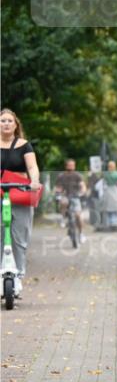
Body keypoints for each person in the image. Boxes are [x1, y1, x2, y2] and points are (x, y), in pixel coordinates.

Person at [0, 108, 42, 297]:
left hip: (20, 193)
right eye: (2, 121)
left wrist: (34, 181)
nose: (6, 124)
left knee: (19, 238)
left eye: (9, 121)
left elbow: (32, 167)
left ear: (16, 125)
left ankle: (17, 276)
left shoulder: (25, 146)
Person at [55, 158, 87, 243]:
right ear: (66, 166)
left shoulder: (77, 175)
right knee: (63, 201)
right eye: (70, 165)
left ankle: (81, 234)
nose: (71, 167)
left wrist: (82, 192)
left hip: (76, 197)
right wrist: (58, 192)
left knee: (79, 216)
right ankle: (63, 218)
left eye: (73, 165)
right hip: (65, 195)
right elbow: (58, 187)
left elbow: (82, 185)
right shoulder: (61, 176)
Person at [100, 160, 117, 229]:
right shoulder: (116, 174)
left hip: (108, 190)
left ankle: (110, 222)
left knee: (109, 208)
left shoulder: (106, 174)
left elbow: (103, 182)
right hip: (115, 190)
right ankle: (114, 221)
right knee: (116, 207)